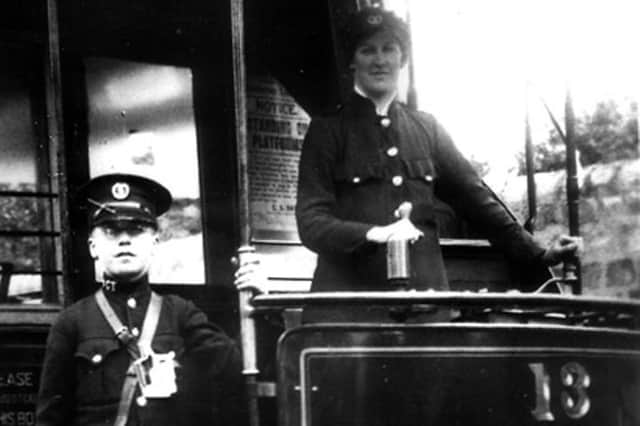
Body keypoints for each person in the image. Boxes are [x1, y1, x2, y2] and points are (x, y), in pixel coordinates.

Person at [294, 6, 581, 296]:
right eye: (367, 50)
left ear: (402, 58)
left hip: (426, 309)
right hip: (350, 311)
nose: (380, 60)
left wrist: (539, 253)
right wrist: (375, 234)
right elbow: (311, 223)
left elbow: (476, 200)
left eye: (389, 49)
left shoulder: (426, 129)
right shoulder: (327, 132)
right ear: (352, 62)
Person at [37, 174, 246, 426]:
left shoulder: (181, 314)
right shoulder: (71, 323)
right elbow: (51, 417)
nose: (124, 239)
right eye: (111, 231)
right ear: (93, 247)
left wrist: (255, 302)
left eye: (136, 229)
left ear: (154, 243)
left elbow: (237, 371)